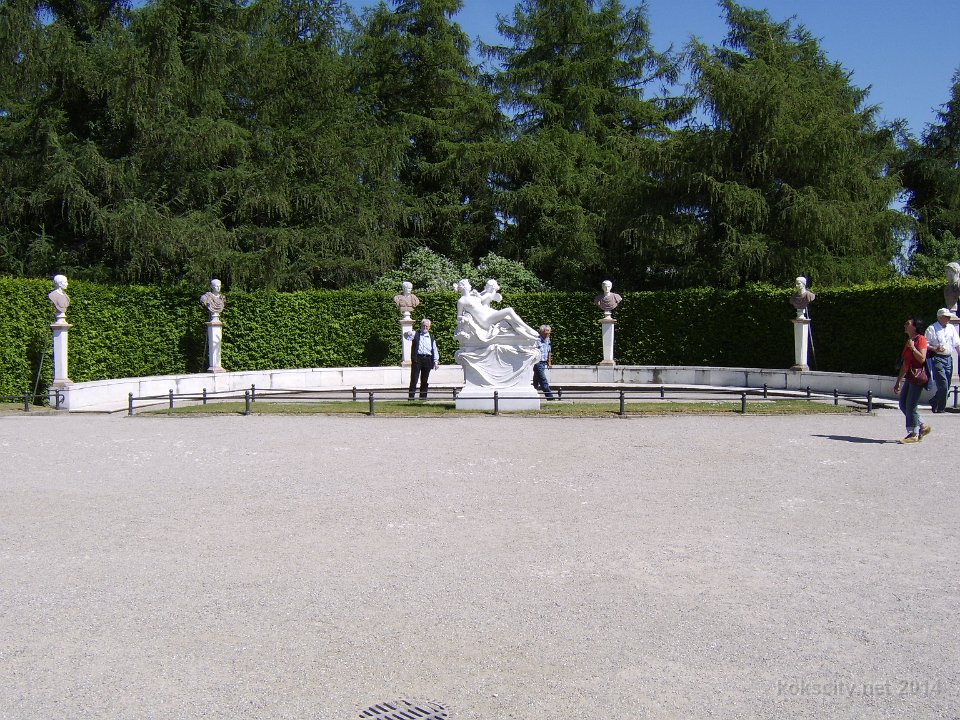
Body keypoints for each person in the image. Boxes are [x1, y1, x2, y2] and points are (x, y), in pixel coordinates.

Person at [454, 279, 538, 341]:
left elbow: (485, 295)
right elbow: (459, 317)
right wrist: (463, 323)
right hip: (485, 320)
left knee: (509, 318)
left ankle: (527, 335)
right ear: (464, 286)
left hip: (489, 314)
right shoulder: (461, 301)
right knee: (509, 310)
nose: (470, 285)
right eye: (468, 284)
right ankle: (527, 328)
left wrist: (491, 290)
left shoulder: (473, 296)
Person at [894, 316, 933, 444]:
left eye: (908, 323)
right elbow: (905, 363)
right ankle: (922, 426)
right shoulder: (909, 341)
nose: (905, 325)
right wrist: (898, 381)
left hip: (918, 376)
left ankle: (913, 434)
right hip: (910, 376)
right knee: (903, 404)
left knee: (911, 405)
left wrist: (913, 348)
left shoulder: (921, 339)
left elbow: (921, 359)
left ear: (915, 327)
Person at [924, 308, 960, 413]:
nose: (948, 319)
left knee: (947, 384)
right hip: (937, 358)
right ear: (940, 317)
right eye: (946, 317)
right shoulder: (932, 328)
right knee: (943, 384)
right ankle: (941, 408)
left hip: (948, 358)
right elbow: (925, 344)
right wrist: (935, 348)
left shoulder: (951, 328)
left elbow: (957, 343)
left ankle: (934, 400)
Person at [408, 318, 439, 399]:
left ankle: (423, 397)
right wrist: (409, 333)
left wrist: (436, 361)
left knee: (425, 380)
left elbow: (434, 349)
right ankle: (411, 397)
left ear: (429, 327)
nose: (425, 327)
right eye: (424, 326)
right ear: (421, 326)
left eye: (427, 326)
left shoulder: (431, 337)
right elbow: (407, 337)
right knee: (414, 379)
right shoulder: (416, 334)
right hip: (417, 359)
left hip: (428, 359)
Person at [533, 325, 555, 400]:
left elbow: (549, 351)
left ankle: (531, 396)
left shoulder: (548, 339)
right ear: (541, 332)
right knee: (543, 380)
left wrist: (549, 362)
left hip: (543, 363)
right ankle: (550, 398)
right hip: (537, 362)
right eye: (546, 333)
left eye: (548, 333)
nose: (547, 335)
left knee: (536, 381)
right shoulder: (537, 340)